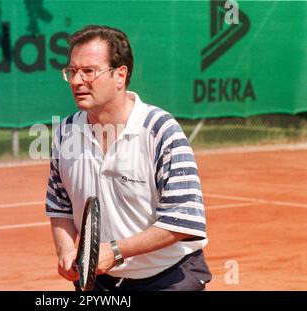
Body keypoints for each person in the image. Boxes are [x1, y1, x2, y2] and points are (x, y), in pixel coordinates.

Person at [45, 25, 211, 291]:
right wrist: (65, 249)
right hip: (98, 282)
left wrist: (116, 251)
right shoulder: (64, 133)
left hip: (169, 279)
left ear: (120, 75)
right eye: (72, 71)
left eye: (89, 71)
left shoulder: (161, 131)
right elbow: (60, 206)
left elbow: (182, 219)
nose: (76, 81)